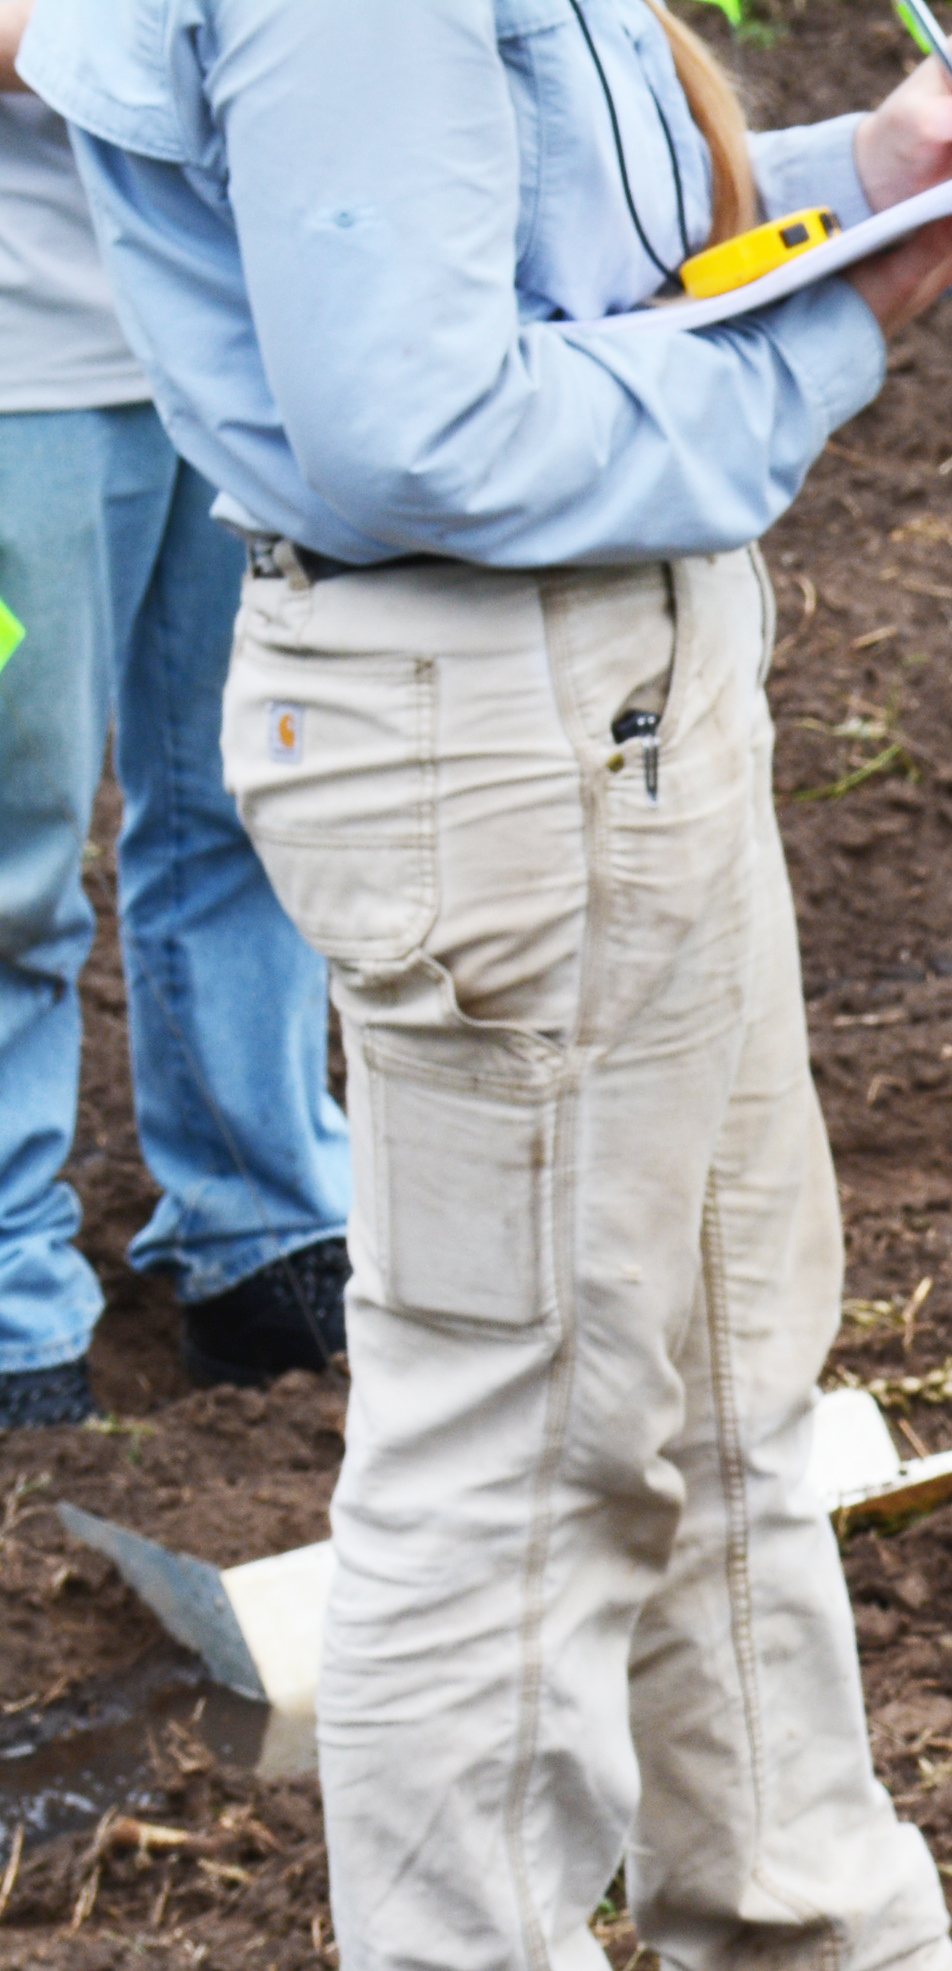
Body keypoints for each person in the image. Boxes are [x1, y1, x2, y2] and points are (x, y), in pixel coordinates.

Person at [21, 0, 952, 1971]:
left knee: (712, 1357)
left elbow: (542, 253)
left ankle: (805, 1956)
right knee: (516, 1433)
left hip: (617, 666)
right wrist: (830, 339)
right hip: (495, 702)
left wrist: (855, 180)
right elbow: (415, 427)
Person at [0, 0, 345, 1431]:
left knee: (251, 804)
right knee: (10, 852)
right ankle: (13, 1293)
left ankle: (260, 1229)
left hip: (237, 345)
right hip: (19, 376)